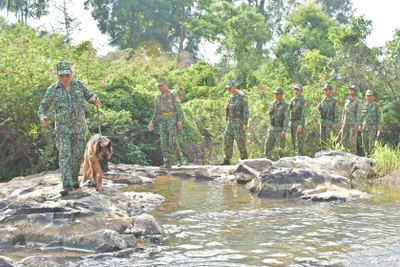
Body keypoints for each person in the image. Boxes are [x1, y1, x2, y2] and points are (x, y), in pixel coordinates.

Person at [38, 61, 100, 196]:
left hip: (79, 128)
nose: (65, 78)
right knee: (65, 155)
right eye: (62, 76)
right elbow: (43, 107)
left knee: (78, 156)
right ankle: (66, 184)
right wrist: (42, 117)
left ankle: (73, 180)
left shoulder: (79, 85)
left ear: (71, 74)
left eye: (67, 75)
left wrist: (94, 100)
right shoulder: (53, 90)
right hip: (62, 129)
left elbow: (89, 96)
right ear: (57, 76)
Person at [147, 77, 184, 168]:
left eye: (161, 85)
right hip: (162, 119)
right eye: (158, 86)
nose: (160, 87)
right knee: (163, 142)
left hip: (172, 118)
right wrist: (152, 122)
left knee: (172, 140)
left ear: (166, 85)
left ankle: (179, 158)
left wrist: (180, 120)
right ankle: (167, 162)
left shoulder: (172, 94)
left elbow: (179, 108)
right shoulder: (158, 97)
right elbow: (156, 112)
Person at [221, 80, 249, 165]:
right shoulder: (230, 97)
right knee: (227, 140)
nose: (229, 90)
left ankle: (245, 161)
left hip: (239, 123)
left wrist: (245, 123)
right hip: (230, 123)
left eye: (230, 88)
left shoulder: (242, 96)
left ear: (234, 86)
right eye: (228, 88)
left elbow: (246, 111)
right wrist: (227, 108)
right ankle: (227, 160)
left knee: (241, 143)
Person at [264, 87, 289, 160]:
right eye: (275, 94)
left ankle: (282, 164)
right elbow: (269, 114)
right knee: (267, 147)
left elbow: (286, 118)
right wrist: (269, 111)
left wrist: (284, 130)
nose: (275, 95)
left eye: (277, 94)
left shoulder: (285, 105)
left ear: (281, 94)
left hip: (280, 129)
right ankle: (268, 162)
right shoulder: (272, 103)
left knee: (280, 149)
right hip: (272, 128)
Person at [339, 85, 363, 154]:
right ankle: (344, 156)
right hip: (345, 124)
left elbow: (359, 114)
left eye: (352, 90)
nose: (350, 91)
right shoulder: (347, 100)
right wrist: (342, 123)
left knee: (352, 142)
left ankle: (352, 158)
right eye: (350, 90)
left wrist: (357, 124)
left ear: (355, 92)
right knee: (343, 141)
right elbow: (344, 112)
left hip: (353, 124)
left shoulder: (358, 102)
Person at [358, 90, 382, 157]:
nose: (369, 97)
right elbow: (360, 116)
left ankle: (372, 156)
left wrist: (379, 125)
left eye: (370, 96)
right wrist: (359, 125)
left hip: (373, 127)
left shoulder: (376, 106)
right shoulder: (363, 106)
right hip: (364, 127)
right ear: (365, 97)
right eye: (367, 96)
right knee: (364, 143)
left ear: (373, 97)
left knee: (371, 143)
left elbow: (379, 116)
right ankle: (366, 156)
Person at [316, 83, 340, 149]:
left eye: (326, 90)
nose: (325, 91)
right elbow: (318, 110)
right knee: (322, 141)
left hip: (330, 123)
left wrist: (335, 123)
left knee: (330, 141)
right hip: (323, 122)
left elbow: (337, 113)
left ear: (330, 91)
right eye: (324, 90)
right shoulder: (323, 101)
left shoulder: (334, 101)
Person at [288, 84, 307, 156]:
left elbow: (304, 113)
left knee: (299, 143)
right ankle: (295, 157)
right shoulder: (292, 100)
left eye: (298, 90)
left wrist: (301, 124)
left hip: (298, 123)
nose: (296, 91)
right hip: (292, 123)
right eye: (295, 89)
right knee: (293, 142)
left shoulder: (303, 101)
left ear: (301, 91)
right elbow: (288, 110)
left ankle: (300, 158)